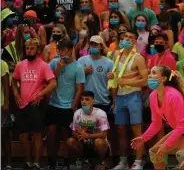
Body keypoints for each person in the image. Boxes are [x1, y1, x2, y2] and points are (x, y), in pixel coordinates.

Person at [131, 65, 184, 170]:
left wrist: (166, 145)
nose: (149, 76)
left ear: (163, 78)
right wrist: (143, 138)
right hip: (183, 129)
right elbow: (156, 124)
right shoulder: (153, 96)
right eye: (150, 73)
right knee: (154, 153)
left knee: (183, 154)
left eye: (153, 73)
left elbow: (181, 125)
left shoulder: (173, 95)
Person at [12, 38, 57, 169]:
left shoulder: (43, 65)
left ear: (37, 50)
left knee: (37, 134)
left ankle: (36, 163)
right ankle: (28, 161)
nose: (29, 51)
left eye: (32, 48)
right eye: (27, 48)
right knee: (22, 135)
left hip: (36, 105)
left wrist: (41, 94)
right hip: (22, 104)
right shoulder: (20, 65)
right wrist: (15, 94)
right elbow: (14, 81)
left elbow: (53, 83)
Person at [109, 30, 148, 170]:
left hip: (133, 95)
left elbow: (145, 81)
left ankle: (138, 162)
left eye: (130, 37)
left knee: (136, 129)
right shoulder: (116, 55)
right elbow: (115, 80)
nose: (127, 39)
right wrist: (114, 101)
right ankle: (123, 162)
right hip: (119, 96)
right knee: (120, 129)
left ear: (135, 42)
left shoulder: (138, 58)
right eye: (125, 37)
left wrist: (127, 83)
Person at [45, 39, 85, 169]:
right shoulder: (54, 63)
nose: (60, 52)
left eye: (63, 50)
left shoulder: (78, 67)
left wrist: (73, 106)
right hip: (53, 104)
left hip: (68, 106)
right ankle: (52, 162)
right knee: (51, 133)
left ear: (70, 50)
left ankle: (70, 162)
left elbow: (79, 89)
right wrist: (57, 69)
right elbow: (49, 82)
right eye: (59, 50)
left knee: (67, 136)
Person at [67, 91, 110, 169]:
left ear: (93, 101)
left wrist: (88, 135)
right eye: (82, 99)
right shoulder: (77, 113)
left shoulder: (100, 113)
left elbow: (104, 135)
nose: (84, 102)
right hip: (83, 144)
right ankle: (82, 161)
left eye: (87, 99)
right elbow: (73, 132)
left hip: (97, 145)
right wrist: (77, 135)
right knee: (70, 141)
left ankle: (100, 163)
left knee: (99, 142)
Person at [78, 35, 114, 121]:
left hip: (103, 101)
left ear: (101, 46)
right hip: (86, 101)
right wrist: (82, 71)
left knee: (102, 129)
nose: (93, 46)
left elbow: (113, 83)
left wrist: (114, 102)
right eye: (91, 44)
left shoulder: (109, 63)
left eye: (96, 44)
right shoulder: (81, 61)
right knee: (85, 129)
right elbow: (74, 79)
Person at [1, 60, 11, 170]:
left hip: (1, 103)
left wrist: (6, 103)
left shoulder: (2, 64)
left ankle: (8, 161)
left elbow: (6, 85)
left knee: (4, 134)